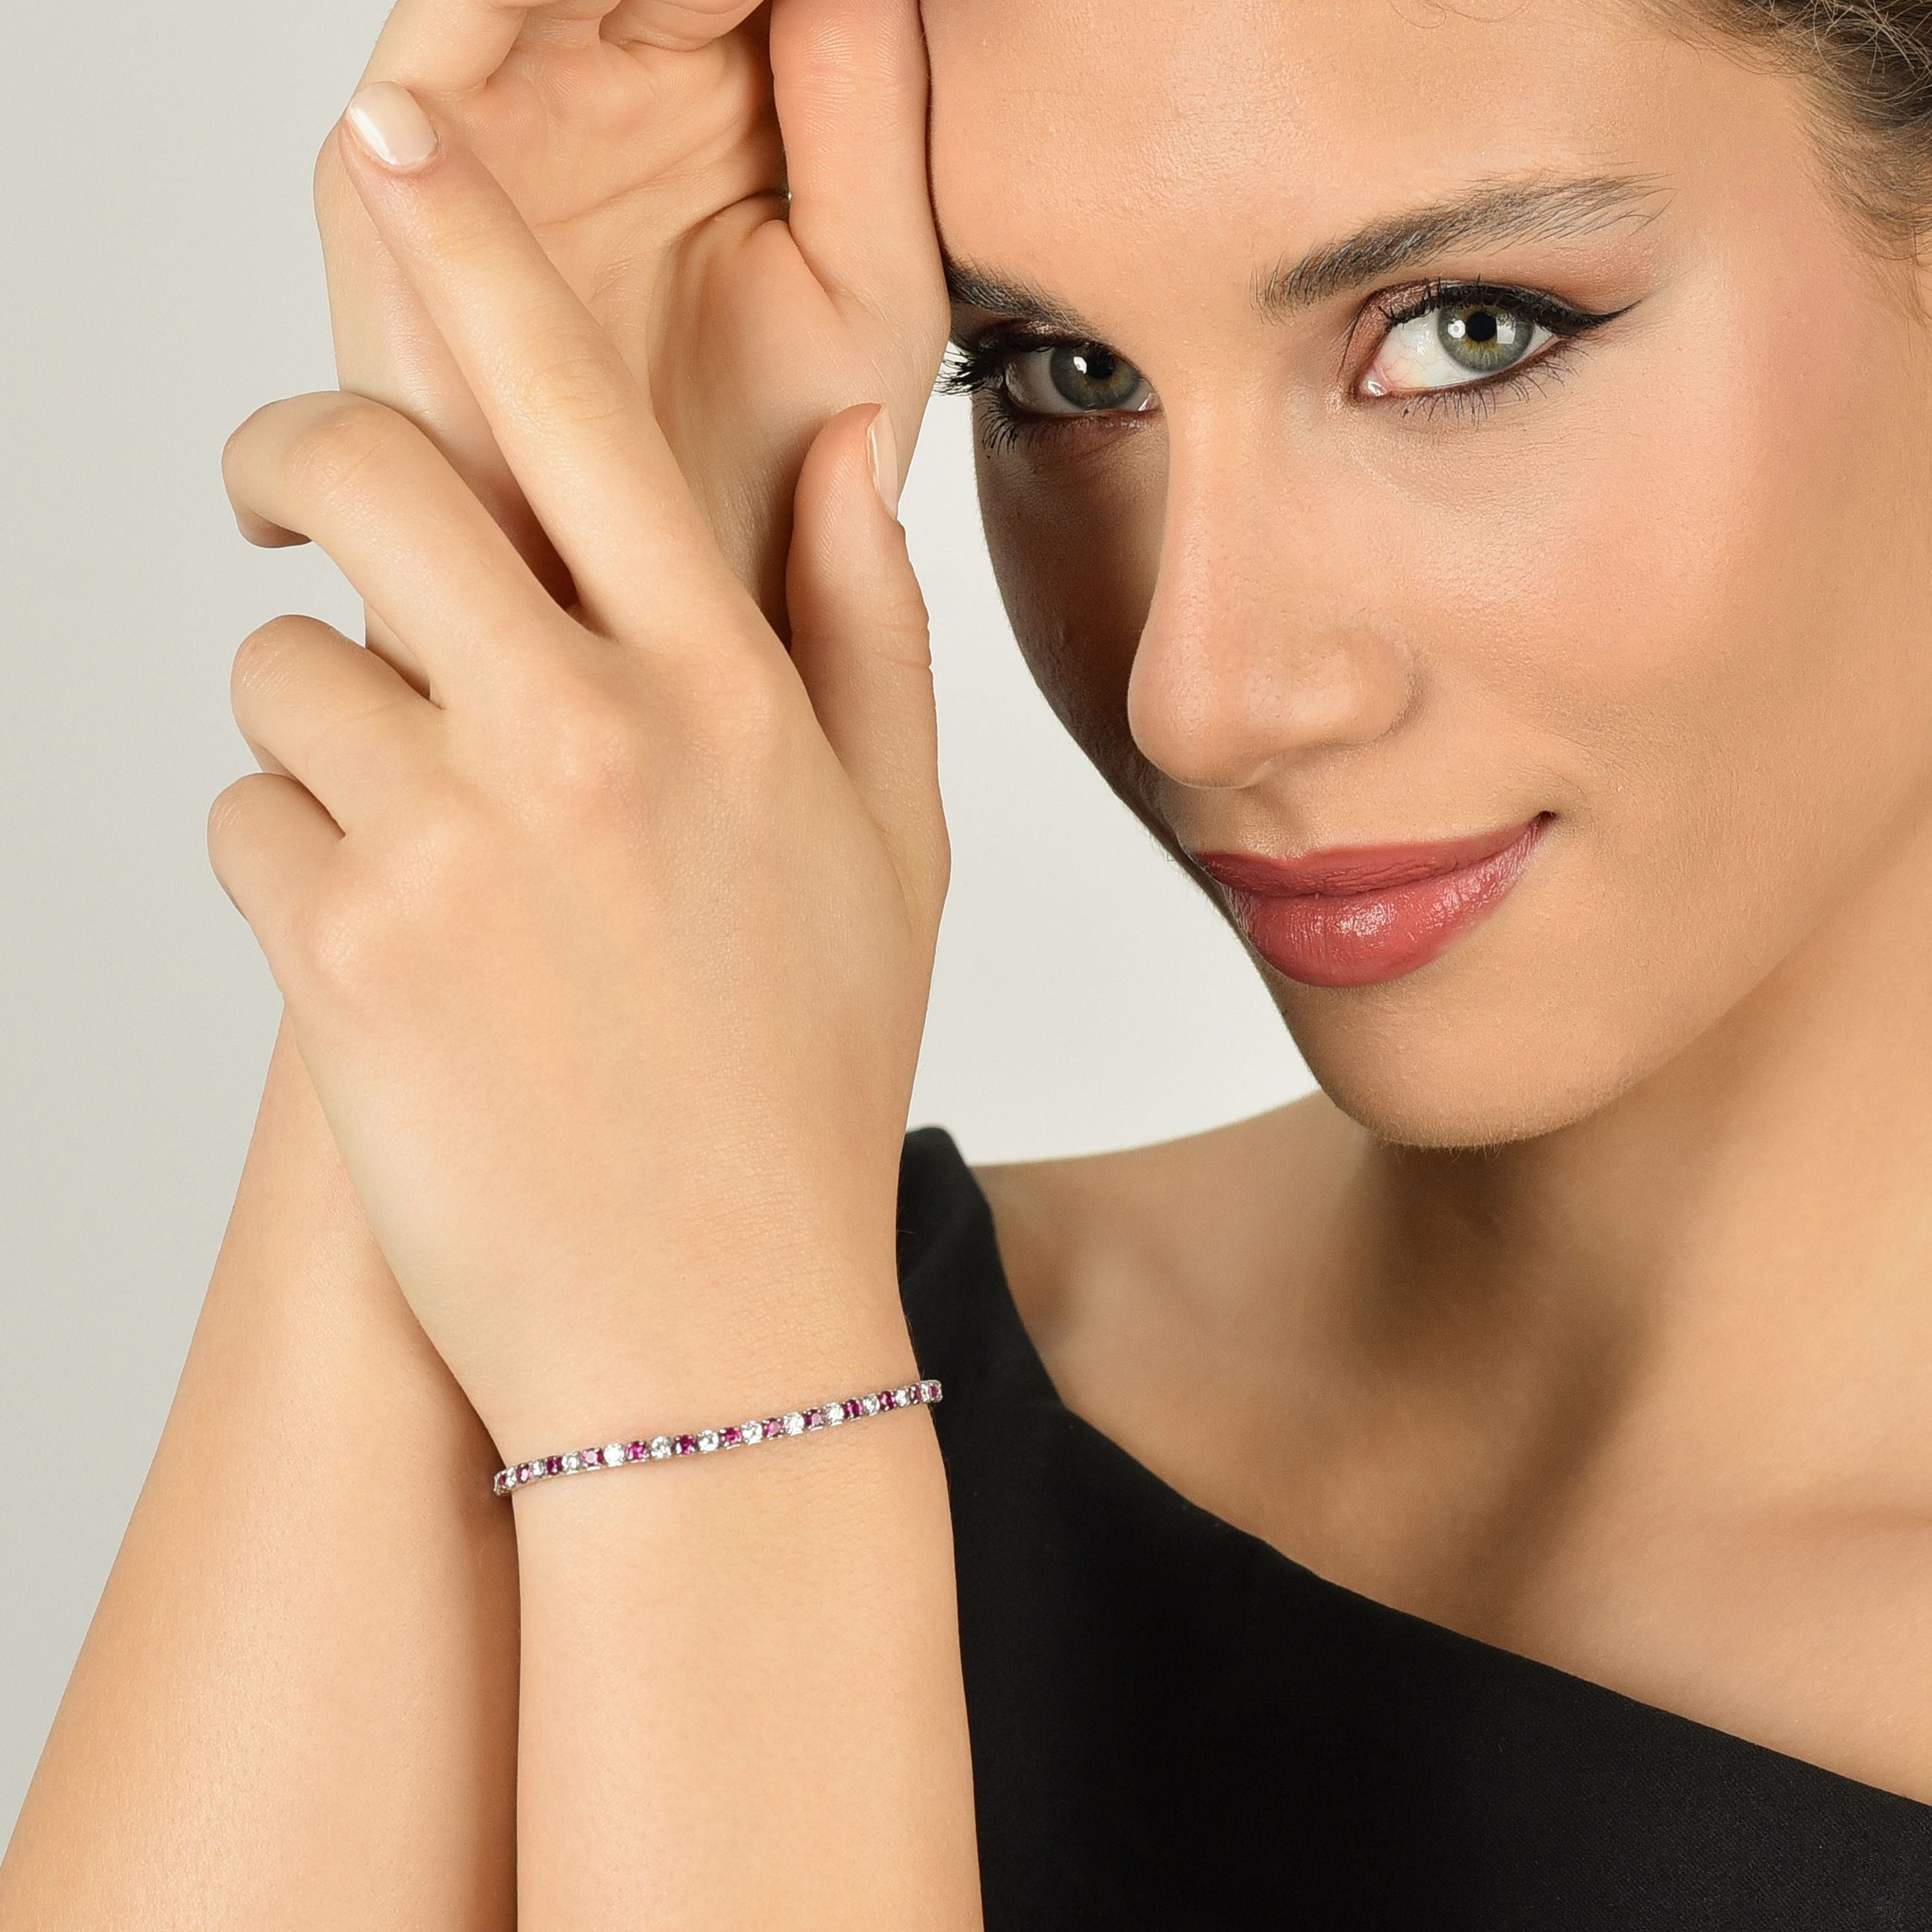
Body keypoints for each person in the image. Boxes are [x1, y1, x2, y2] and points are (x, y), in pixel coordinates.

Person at [3, 0, 1931, 1923]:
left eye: (1469, 333)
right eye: (1062, 374)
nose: (1203, 694)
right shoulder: (728, 1300)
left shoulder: (709, 1338)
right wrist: (543, 611)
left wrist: (725, 1429)